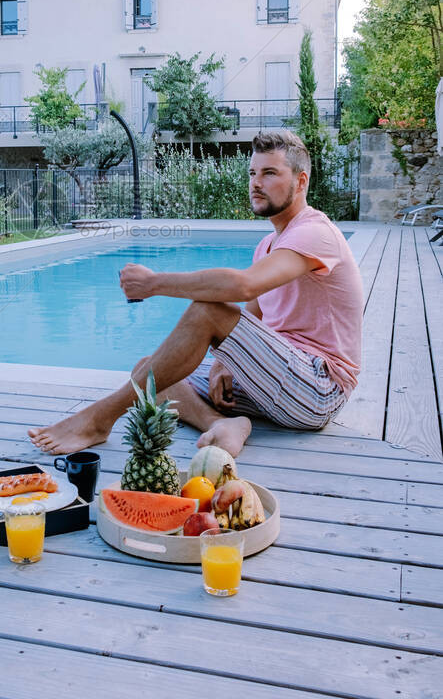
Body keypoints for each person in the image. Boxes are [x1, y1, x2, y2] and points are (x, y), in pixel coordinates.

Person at [28, 130, 363, 458]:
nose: (256, 182)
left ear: (301, 182)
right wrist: (221, 363)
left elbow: (242, 286)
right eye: (252, 173)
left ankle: (98, 419)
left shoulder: (315, 232)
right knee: (151, 372)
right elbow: (251, 314)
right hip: (279, 380)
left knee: (207, 311)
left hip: (318, 389)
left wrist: (155, 283)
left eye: (270, 173)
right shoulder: (268, 245)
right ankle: (221, 423)